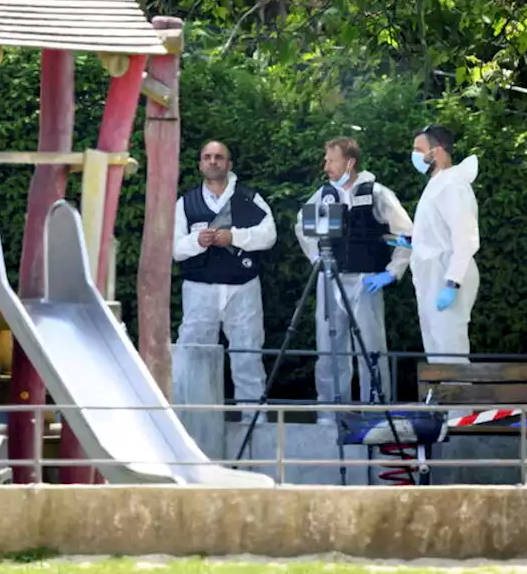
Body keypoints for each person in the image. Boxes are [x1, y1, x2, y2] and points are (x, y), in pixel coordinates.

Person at [294, 138, 413, 422]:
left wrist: (393, 271)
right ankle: (331, 414)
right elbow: (302, 227)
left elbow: (407, 235)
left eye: (331, 160)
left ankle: (375, 413)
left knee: (371, 348)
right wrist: (316, 260)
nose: (326, 166)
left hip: (366, 278)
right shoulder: (325, 195)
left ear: (349, 162)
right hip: (331, 279)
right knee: (330, 347)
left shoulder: (377, 194)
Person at [173, 141, 277, 411]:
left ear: (229, 164)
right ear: (200, 164)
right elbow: (174, 249)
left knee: (248, 357)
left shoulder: (248, 198)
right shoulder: (186, 202)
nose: (212, 161)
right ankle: (191, 423)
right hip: (199, 289)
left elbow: (269, 236)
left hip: (242, 288)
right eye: (207, 157)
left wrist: (235, 237)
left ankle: (253, 423)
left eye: (219, 157)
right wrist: (198, 241)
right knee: (193, 356)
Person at [393, 125, 479, 366]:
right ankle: (446, 403)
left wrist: (453, 282)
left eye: (419, 150)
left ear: (437, 151)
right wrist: (412, 242)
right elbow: (438, 232)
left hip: (446, 276)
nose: (415, 156)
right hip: (434, 277)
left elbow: (464, 238)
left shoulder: (453, 185)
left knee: (451, 350)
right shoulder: (437, 184)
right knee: (438, 353)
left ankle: (457, 404)